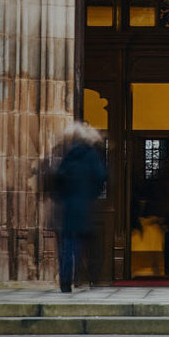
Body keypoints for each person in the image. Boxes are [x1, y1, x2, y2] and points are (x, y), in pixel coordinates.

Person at [51, 122, 107, 293]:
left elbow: (59, 177)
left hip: (67, 206)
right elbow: (101, 176)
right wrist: (92, 194)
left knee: (68, 245)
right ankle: (93, 278)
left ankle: (66, 281)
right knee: (89, 245)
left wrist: (63, 196)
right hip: (84, 206)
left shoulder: (69, 155)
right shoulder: (91, 155)